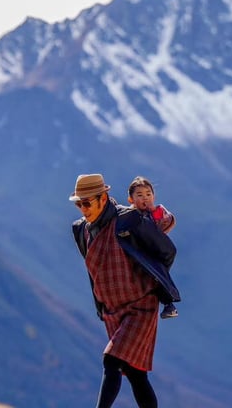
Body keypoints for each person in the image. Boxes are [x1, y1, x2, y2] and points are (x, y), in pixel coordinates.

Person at [70, 173, 179, 408]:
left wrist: (152, 281)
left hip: (141, 307)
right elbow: (94, 270)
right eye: (79, 203)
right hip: (112, 311)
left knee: (111, 360)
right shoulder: (81, 230)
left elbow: (166, 251)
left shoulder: (128, 220)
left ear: (103, 198)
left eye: (87, 202)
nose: (83, 209)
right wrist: (100, 306)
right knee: (135, 372)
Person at [127, 176, 179, 319]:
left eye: (148, 194)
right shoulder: (130, 216)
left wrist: (161, 218)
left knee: (157, 273)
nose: (145, 198)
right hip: (140, 253)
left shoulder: (156, 213)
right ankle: (168, 302)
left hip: (154, 253)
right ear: (130, 200)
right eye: (140, 195)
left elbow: (167, 223)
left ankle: (168, 303)